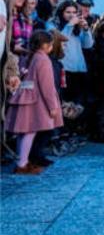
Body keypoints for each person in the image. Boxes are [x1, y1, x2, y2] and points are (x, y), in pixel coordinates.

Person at [5, 30, 63, 174]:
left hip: (24, 96)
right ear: (46, 45)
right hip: (36, 101)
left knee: (23, 132)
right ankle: (22, 164)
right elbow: (47, 86)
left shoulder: (28, 56)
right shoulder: (43, 59)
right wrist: (52, 107)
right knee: (30, 132)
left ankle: (21, 161)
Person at [49, 0, 94, 107]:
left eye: (74, 12)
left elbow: (88, 45)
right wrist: (69, 25)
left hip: (79, 70)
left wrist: (86, 30)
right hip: (65, 70)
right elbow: (59, 40)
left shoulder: (76, 28)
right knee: (65, 104)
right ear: (61, 13)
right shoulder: (54, 26)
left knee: (77, 105)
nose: (72, 15)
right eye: (68, 12)